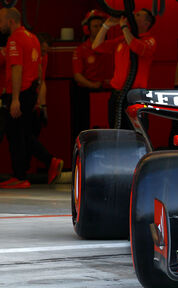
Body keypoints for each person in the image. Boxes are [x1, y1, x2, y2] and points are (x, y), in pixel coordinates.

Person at [0, 8, 62, 189]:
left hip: (19, 92)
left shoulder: (14, 40)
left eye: (1, 21)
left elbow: (16, 68)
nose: (0, 25)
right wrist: (36, 97)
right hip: (31, 91)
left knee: (16, 136)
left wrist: (15, 99)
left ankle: (22, 176)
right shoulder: (33, 38)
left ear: (11, 21)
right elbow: (40, 69)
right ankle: (49, 162)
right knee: (22, 134)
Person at [92, 8, 156, 129]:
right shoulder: (122, 40)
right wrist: (106, 26)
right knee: (116, 130)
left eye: (138, 15)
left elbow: (137, 48)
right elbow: (97, 46)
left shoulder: (149, 40)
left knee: (137, 132)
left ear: (146, 23)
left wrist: (124, 27)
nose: (133, 16)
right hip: (117, 94)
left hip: (136, 96)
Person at [71, 10, 113, 141]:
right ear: (87, 29)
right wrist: (93, 85)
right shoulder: (81, 50)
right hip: (86, 94)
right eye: (95, 26)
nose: (99, 29)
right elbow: (77, 76)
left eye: (101, 26)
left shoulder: (110, 48)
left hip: (108, 93)